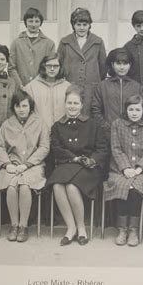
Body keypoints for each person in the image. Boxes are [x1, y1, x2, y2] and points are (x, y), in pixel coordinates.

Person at [46, 85, 107, 246]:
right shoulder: (57, 126)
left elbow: (102, 149)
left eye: (75, 103)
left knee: (72, 186)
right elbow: (56, 149)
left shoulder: (93, 125)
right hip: (67, 164)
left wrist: (92, 160)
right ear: (64, 104)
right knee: (57, 185)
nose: (72, 106)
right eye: (69, 103)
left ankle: (81, 228)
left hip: (88, 168)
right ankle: (70, 228)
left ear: (81, 105)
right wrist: (73, 159)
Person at [0, 90, 50, 242]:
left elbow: (44, 147)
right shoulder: (7, 124)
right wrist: (7, 164)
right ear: (13, 107)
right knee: (12, 185)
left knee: (24, 185)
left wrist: (27, 164)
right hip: (12, 165)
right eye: (18, 106)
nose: (21, 109)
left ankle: (24, 226)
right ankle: (14, 225)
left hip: (33, 165)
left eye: (24, 106)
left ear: (30, 106)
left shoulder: (40, 123)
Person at [104, 95, 143, 246]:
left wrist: (140, 168)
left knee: (135, 189)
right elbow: (116, 148)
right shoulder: (117, 124)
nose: (134, 113)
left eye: (137, 109)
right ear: (126, 110)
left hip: (142, 171)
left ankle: (133, 229)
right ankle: (122, 229)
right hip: (119, 170)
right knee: (123, 186)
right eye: (131, 109)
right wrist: (126, 167)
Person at [58, 7, 107, 116]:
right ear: (73, 25)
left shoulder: (97, 42)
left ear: (90, 25)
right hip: (71, 86)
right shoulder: (65, 42)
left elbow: (103, 67)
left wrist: (94, 80)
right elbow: (59, 65)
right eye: (78, 24)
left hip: (91, 88)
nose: (81, 28)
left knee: (89, 116)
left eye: (85, 25)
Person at [91, 48, 143, 141]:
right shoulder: (103, 86)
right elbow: (95, 110)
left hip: (131, 135)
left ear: (130, 65)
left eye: (125, 63)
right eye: (118, 63)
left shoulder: (137, 87)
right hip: (107, 135)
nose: (122, 67)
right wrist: (106, 127)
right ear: (112, 64)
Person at [9, 7, 56, 87]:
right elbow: (11, 67)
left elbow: (51, 67)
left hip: (42, 87)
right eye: (30, 21)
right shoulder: (16, 43)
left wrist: (42, 84)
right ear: (25, 22)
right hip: (21, 88)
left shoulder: (49, 43)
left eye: (37, 21)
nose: (33, 25)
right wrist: (19, 84)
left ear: (41, 23)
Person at [24, 53, 71, 130]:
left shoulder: (67, 87)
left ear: (60, 67)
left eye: (55, 66)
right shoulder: (31, 87)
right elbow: (26, 112)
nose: (52, 69)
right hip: (39, 131)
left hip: (62, 132)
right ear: (43, 66)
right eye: (49, 66)